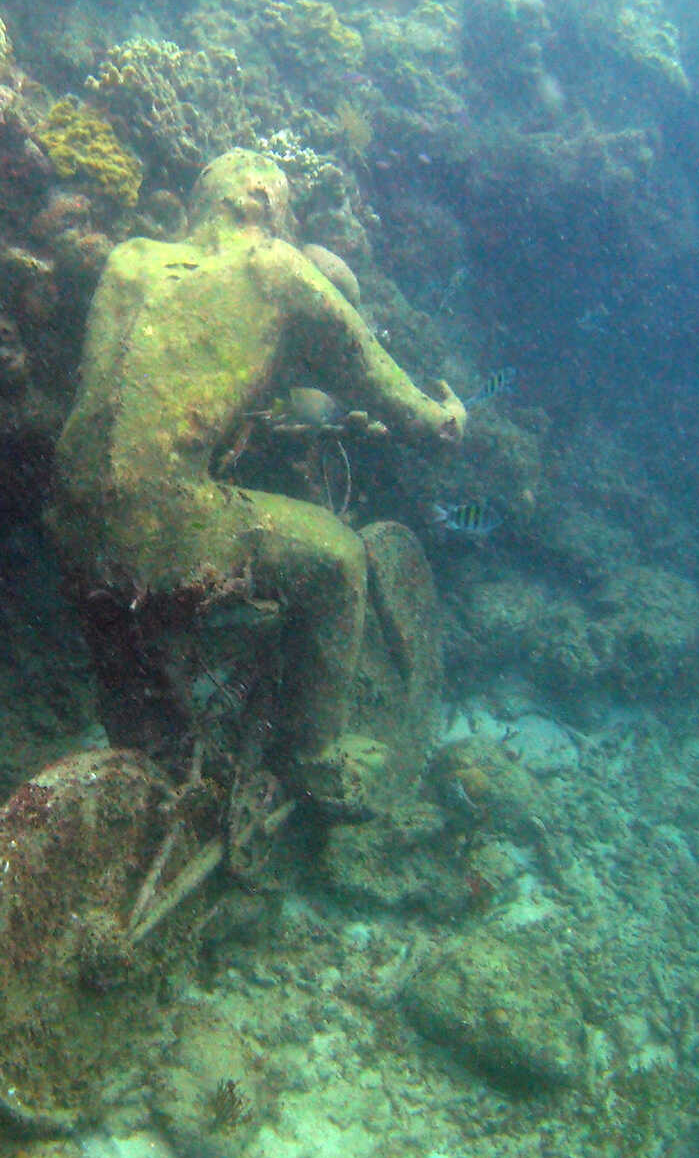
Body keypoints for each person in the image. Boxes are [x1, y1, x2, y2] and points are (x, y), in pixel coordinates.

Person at [51, 149, 464, 762]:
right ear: (272, 209)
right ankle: (314, 757)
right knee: (339, 561)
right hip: (164, 517)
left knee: (139, 680)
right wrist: (448, 418)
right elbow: (409, 411)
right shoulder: (275, 266)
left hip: (72, 515)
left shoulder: (129, 260)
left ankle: (143, 758)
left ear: (201, 203)